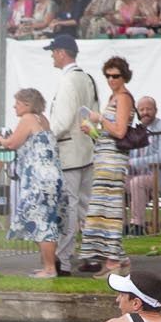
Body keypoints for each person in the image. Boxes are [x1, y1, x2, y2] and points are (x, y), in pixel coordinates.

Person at [74, 54, 137, 273]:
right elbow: (109, 133)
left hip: (113, 161)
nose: (111, 80)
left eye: (116, 76)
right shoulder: (113, 98)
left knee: (109, 211)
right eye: (108, 76)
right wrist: (93, 132)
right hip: (104, 158)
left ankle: (113, 262)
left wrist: (99, 119)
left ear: (124, 76)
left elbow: (120, 130)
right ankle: (118, 259)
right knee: (102, 210)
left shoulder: (124, 98)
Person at [45, 34, 98, 274]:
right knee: (87, 207)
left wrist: (45, 139)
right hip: (87, 149)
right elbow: (91, 114)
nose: (52, 56)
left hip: (69, 152)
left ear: (61, 52)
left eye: (53, 51)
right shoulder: (88, 79)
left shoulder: (67, 81)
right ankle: (94, 256)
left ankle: (64, 261)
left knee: (69, 209)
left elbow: (63, 121)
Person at [0, 88, 61, 277]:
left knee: (42, 222)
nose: (14, 106)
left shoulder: (28, 119)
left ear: (26, 104)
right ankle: (49, 264)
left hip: (38, 179)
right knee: (42, 220)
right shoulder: (43, 119)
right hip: (51, 176)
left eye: (17, 103)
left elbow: (12, 143)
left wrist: (0, 139)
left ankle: (50, 268)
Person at [122, 96, 161, 232]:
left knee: (137, 183)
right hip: (138, 176)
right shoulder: (136, 129)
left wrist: (133, 162)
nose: (145, 112)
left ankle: (137, 225)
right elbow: (129, 153)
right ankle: (123, 226)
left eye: (149, 109)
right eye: (142, 109)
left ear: (156, 110)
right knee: (116, 181)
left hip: (160, 177)